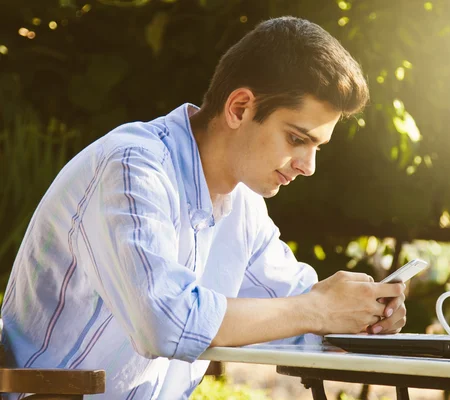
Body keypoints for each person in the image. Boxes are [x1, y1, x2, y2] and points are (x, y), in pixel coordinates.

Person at [1, 16, 407, 399]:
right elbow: (164, 322)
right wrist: (317, 310)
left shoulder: (243, 205)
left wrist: (365, 316)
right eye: (297, 139)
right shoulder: (132, 167)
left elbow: (300, 317)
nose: (308, 166)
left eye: (317, 147)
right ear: (240, 108)